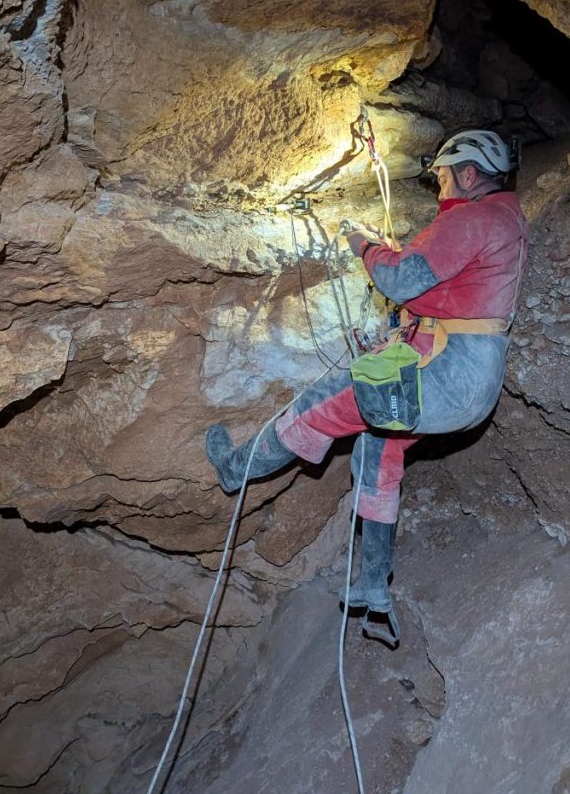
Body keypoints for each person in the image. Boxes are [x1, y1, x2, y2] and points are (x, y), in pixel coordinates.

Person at [206, 130, 529, 645]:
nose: (440, 187)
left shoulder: (473, 217)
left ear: (468, 175)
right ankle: (374, 585)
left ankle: (232, 469)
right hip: (473, 386)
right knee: (379, 449)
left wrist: (364, 244)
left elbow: (400, 283)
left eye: (443, 177)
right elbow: (450, 286)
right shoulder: (507, 218)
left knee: (320, 405)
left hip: (443, 375)